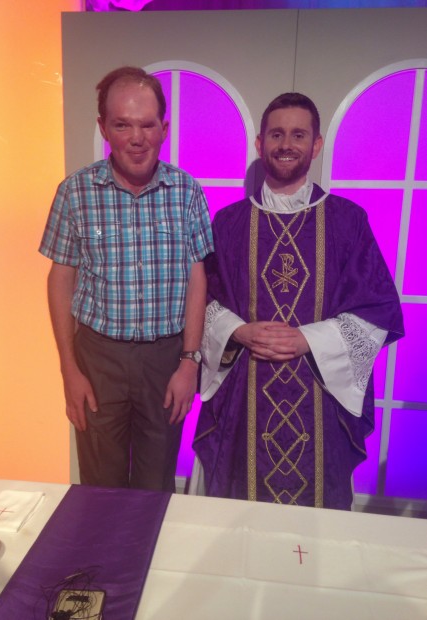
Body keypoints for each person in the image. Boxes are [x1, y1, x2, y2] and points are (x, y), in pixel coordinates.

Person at [192, 92, 404, 510]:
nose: (286, 144)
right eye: (276, 134)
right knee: (238, 523)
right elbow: (205, 303)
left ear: (316, 145)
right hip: (244, 394)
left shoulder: (348, 220)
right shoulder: (230, 223)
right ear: (259, 144)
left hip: (319, 393)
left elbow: (377, 310)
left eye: (298, 134)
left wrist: (310, 339)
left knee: (315, 530)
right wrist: (239, 330)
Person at [40, 66, 214, 492]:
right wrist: (69, 369)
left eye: (147, 124)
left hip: (165, 359)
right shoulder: (74, 192)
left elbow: (198, 279)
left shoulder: (186, 191)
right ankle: (102, 561)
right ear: (104, 127)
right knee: (100, 482)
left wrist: (189, 363)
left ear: (164, 128)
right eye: (122, 125)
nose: (137, 138)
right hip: (98, 359)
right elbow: (60, 280)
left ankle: (145, 558)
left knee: (156, 485)